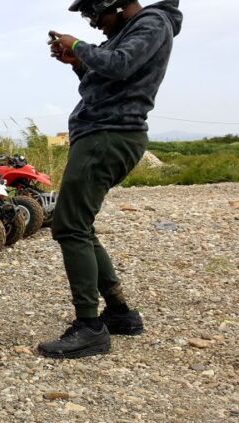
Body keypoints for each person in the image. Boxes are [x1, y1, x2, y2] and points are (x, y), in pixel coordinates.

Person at [39, 0, 183, 359]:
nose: (93, 22)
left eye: (93, 13)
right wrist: (78, 63)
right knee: (80, 225)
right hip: (103, 134)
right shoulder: (133, 30)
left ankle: (89, 328)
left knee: (69, 225)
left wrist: (78, 45)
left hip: (107, 135)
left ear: (114, 3)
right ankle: (119, 313)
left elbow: (120, 66)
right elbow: (103, 81)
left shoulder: (151, 23)